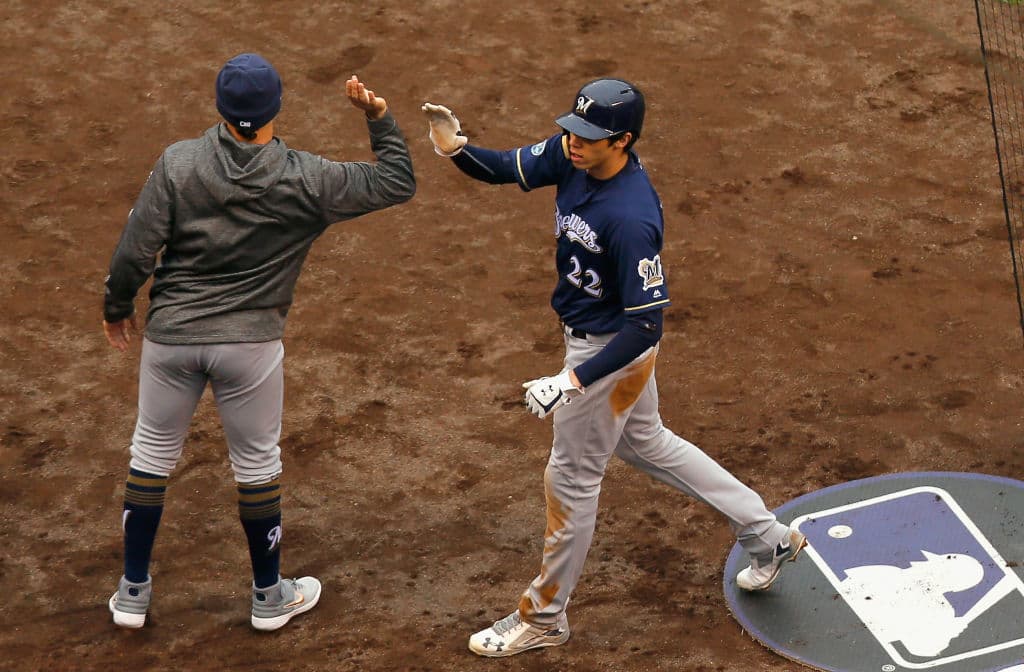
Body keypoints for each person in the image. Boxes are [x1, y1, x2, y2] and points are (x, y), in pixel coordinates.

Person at [422, 79, 807, 658]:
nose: (572, 143)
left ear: (623, 141)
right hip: (596, 344)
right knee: (647, 442)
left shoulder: (630, 218)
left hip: (610, 351)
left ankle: (545, 616)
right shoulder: (572, 154)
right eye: (571, 130)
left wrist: (572, 380)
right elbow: (504, 168)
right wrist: (455, 148)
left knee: (572, 479)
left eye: (588, 136)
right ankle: (766, 535)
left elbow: (645, 326)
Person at [102, 53, 415, 631]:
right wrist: (378, 116)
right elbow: (398, 180)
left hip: (171, 340)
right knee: (256, 465)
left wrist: (117, 306)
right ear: (276, 108)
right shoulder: (309, 178)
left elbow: (134, 251)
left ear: (221, 107)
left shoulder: (179, 163)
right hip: (250, 348)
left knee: (149, 457)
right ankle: (269, 597)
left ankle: (132, 594)